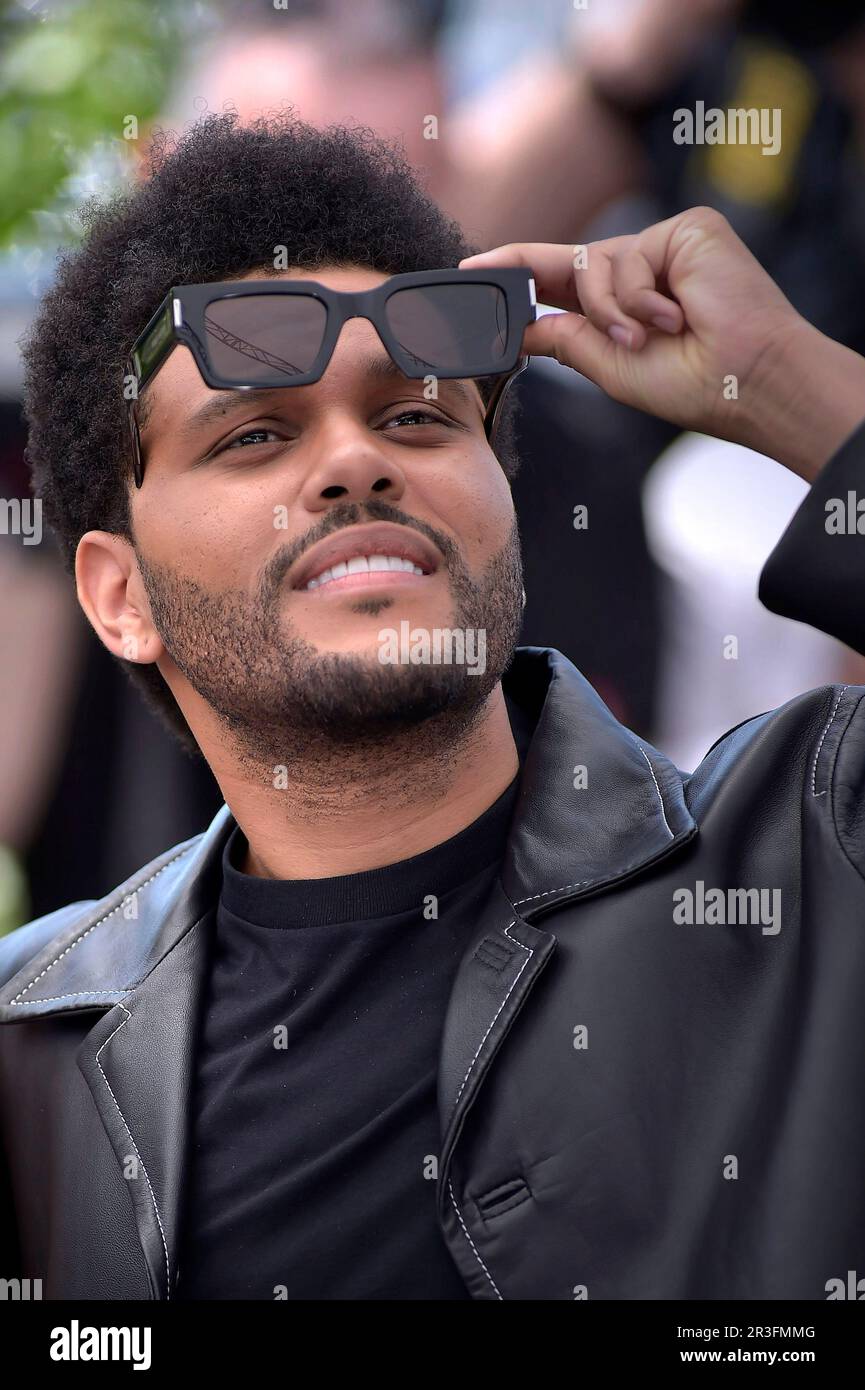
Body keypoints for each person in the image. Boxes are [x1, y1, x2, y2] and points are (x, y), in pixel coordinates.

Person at [1, 111, 864, 1301]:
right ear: (120, 596)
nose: (358, 461)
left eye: (415, 415)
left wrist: (784, 382)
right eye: (256, 434)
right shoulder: (35, 1051)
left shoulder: (815, 855)